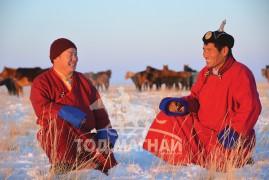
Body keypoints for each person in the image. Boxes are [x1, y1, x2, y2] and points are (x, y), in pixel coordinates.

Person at [143, 20, 262, 171]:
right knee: (167, 115)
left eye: (210, 50)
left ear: (224, 51)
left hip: (226, 139)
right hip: (203, 134)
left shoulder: (240, 73)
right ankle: (186, 163)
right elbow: (195, 98)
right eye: (204, 49)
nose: (205, 54)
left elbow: (251, 107)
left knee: (219, 165)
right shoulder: (204, 73)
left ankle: (238, 158)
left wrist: (234, 133)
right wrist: (181, 104)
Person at [30, 38, 118, 175]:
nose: (75, 59)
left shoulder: (83, 80)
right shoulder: (41, 82)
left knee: (108, 167)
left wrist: (106, 130)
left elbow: (98, 107)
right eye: (70, 54)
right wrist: (63, 111)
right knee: (59, 124)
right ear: (55, 58)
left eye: (76, 54)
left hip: (86, 136)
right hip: (58, 138)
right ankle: (62, 167)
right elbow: (41, 108)